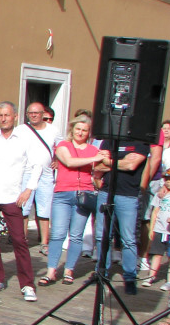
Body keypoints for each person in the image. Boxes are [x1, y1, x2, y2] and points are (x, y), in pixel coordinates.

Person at [0, 102, 39, 301]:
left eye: (7, 115)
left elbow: (37, 165)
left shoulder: (24, 140)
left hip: (12, 197)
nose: (3, 119)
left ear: (15, 117)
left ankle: (27, 284)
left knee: (19, 239)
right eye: (0, 115)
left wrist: (29, 189)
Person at [39, 116, 109, 286]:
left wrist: (103, 161)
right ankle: (51, 271)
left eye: (84, 130)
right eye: (78, 129)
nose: (80, 133)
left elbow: (107, 165)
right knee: (57, 234)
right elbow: (69, 162)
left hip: (84, 194)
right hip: (63, 193)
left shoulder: (93, 148)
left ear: (88, 133)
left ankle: (69, 270)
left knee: (76, 235)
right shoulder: (64, 146)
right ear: (72, 129)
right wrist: (94, 159)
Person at [94, 132, 149, 294]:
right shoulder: (109, 139)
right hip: (106, 193)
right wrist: (118, 162)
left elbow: (131, 166)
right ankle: (102, 272)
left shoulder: (141, 141)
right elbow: (98, 166)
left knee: (128, 239)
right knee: (102, 236)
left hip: (128, 196)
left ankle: (130, 276)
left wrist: (108, 161)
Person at [14, 102, 59, 252]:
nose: (33, 115)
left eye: (36, 113)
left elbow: (61, 147)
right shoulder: (21, 130)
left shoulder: (53, 130)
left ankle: (44, 242)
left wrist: (57, 160)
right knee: (23, 208)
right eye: (30, 113)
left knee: (44, 209)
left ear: (43, 114)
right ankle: (22, 240)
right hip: (25, 172)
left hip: (46, 174)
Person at [142, 167, 170, 289]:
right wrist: (151, 228)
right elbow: (155, 211)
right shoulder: (160, 194)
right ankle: (151, 276)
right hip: (159, 229)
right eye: (167, 179)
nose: (168, 181)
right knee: (156, 254)